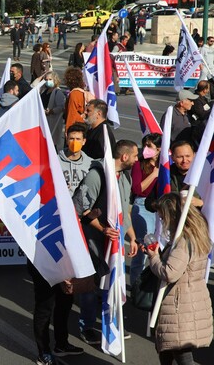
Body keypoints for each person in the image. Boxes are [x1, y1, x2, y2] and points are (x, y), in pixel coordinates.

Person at [72, 140, 139, 344]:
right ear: (125, 157)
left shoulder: (124, 176)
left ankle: (110, 322)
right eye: (135, 156)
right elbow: (79, 208)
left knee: (111, 283)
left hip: (114, 245)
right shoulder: (97, 175)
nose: (137, 160)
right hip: (94, 242)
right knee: (92, 285)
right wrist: (102, 229)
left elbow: (123, 212)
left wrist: (132, 237)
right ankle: (87, 326)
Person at [146, 193, 213, 365]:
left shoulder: (184, 240)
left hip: (179, 304)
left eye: (163, 217)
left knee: (181, 353)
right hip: (190, 298)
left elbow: (170, 273)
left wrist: (153, 257)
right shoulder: (197, 233)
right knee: (167, 348)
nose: (162, 221)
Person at [130, 133, 161, 285]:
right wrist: (154, 174)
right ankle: (136, 287)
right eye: (145, 145)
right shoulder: (139, 164)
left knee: (159, 249)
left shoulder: (165, 165)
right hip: (142, 206)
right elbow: (137, 189)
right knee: (143, 250)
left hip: (160, 209)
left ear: (160, 149)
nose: (146, 149)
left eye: (150, 146)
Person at [58, 123, 94, 196]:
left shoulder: (91, 164)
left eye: (78, 139)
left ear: (83, 141)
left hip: (80, 205)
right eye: (71, 139)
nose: (74, 142)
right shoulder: (55, 161)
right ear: (67, 139)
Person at [43, 71, 67, 151]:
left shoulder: (57, 92)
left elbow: (61, 107)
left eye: (50, 79)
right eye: (46, 79)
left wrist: (51, 111)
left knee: (52, 143)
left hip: (53, 120)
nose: (48, 81)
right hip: (44, 119)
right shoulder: (44, 90)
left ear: (55, 80)